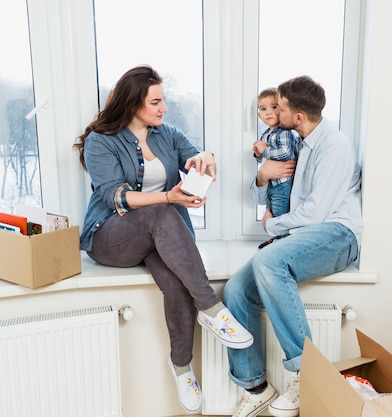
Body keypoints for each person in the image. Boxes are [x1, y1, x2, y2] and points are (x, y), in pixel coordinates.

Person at [73, 65, 253, 414]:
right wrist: (168, 198)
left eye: (164, 101)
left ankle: (181, 367)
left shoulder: (166, 133)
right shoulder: (101, 141)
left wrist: (206, 159)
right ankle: (212, 309)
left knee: (175, 281)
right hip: (111, 236)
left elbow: (196, 154)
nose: (163, 108)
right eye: (156, 102)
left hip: (158, 235)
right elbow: (117, 197)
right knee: (161, 212)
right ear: (132, 103)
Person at [224, 75, 362, 417]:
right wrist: (261, 176)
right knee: (235, 290)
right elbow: (271, 191)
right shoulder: (297, 142)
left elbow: (315, 213)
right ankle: (255, 386)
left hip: (338, 233)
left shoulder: (335, 146)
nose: (274, 112)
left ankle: (305, 373)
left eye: (280, 106)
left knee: (268, 262)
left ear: (298, 116)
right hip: (303, 235)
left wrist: (272, 225)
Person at [253, 87, 299, 217]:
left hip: (283, 184)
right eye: (263, 109)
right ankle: (275, 237)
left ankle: (282, 237)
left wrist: (264, 150)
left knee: (280, 216)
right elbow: (266, 159)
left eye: (274, 107)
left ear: (281, 110)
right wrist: (258, 154)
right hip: (271, 184)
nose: (268, 112)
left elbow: (285, 154)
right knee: (271, 214)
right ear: (259, 115)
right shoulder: (266, 134)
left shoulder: (284, 132)